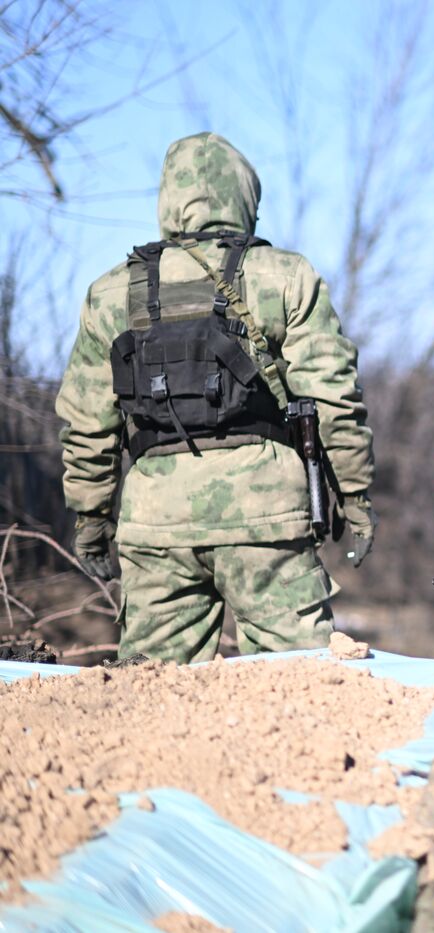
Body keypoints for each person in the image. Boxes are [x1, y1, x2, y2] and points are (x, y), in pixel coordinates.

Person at [55, 132, 376, 662]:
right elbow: (333, 397)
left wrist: (91, 520)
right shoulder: (285, 276)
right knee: (299, 690)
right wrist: (356, 499)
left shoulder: (111, 293)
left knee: (154, 698)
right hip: (266, 515)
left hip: (156, 523)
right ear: (245, 197)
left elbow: (88, 423)